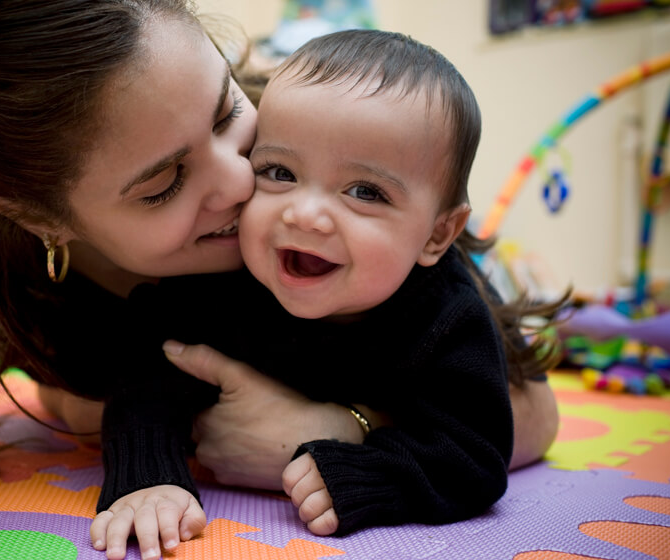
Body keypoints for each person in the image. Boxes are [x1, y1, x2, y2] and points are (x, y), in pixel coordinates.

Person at [0, 2, 560, 559]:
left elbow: (522, 413)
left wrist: (337, 428)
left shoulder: (308, 124)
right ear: (44, 221)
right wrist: (133, 447)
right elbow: (87, 395)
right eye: (162, 185)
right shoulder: (26, 282)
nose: (243, 181)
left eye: (223, 116)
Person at [91, 28, 570, 551]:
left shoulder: (447, 317)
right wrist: (148, 480)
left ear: (437, 234)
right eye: (279, 172)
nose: (306, 214)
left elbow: (474, 455)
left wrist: (363, 470)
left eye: (365, 192)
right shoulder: (221, 283)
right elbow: (144, 380)